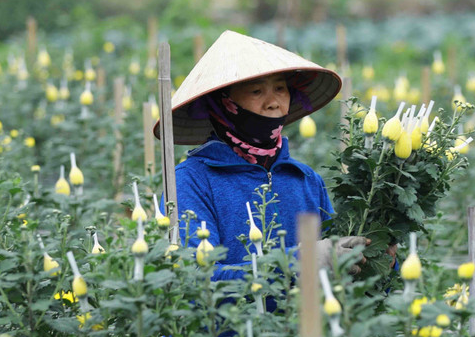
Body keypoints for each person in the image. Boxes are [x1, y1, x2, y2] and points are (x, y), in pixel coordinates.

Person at [156, 30, 368, 281]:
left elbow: (340, 268)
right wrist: (297, 262)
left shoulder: (306, 180)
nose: (273, 102)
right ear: (222, 104)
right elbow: (194, 283)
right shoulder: (191, 182)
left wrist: (373, 259)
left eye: (280, 88)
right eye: (256, 91)